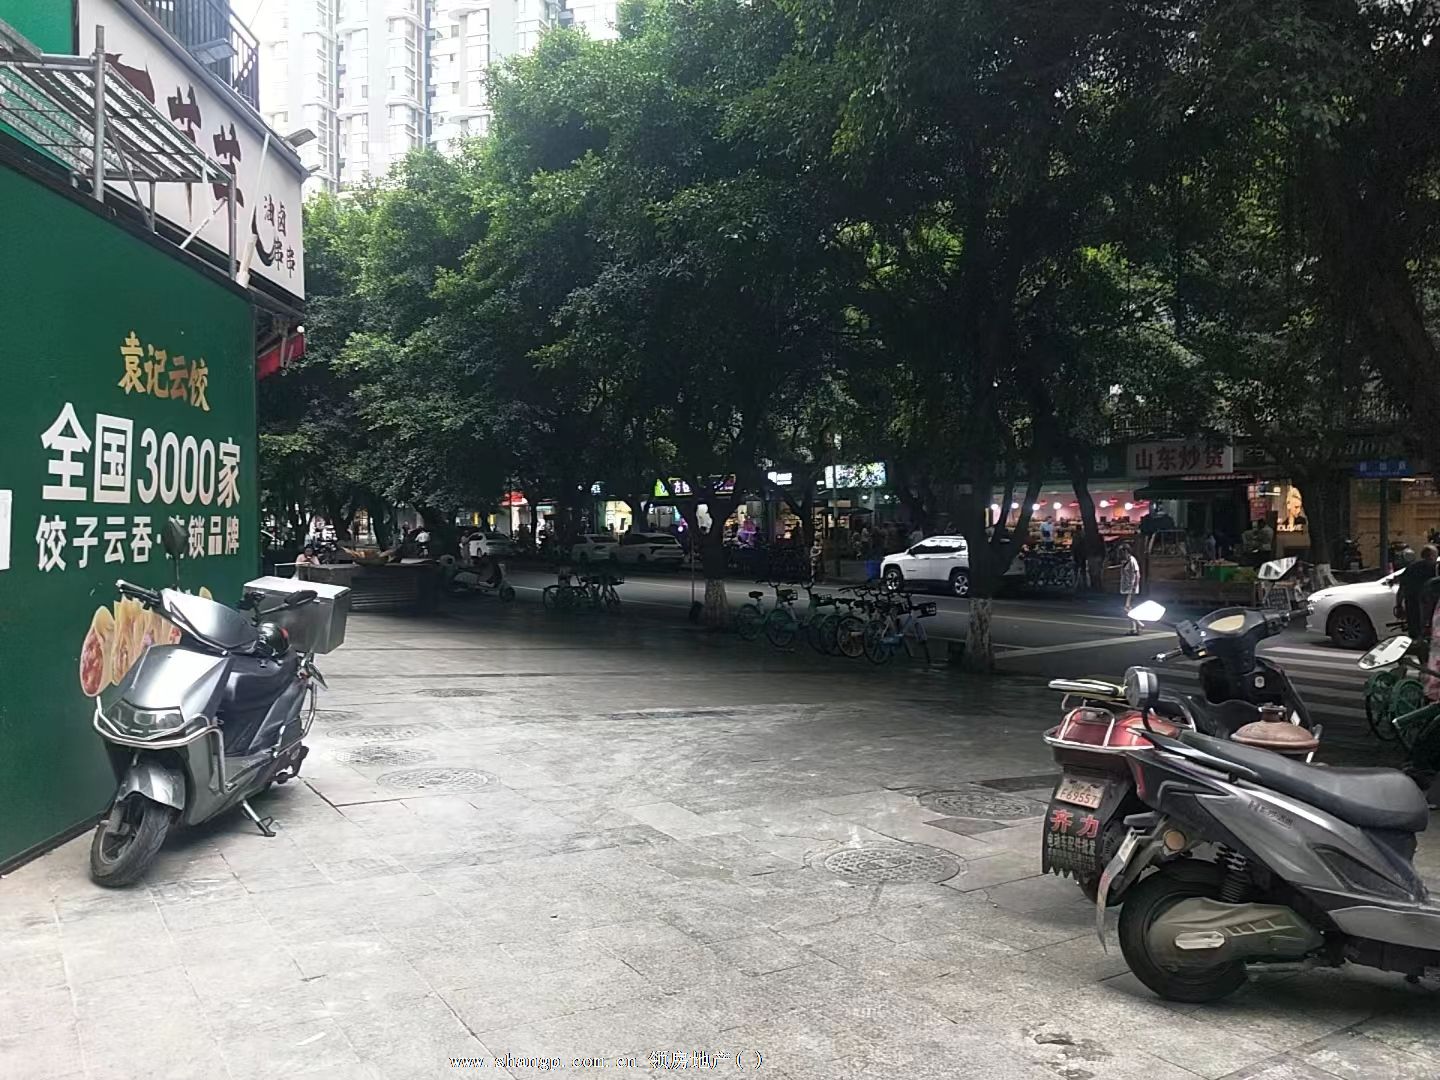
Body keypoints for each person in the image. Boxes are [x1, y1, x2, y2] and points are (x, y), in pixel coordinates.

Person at [1395, 545, 1440, 640]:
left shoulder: (1411, 568)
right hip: (1428, 606)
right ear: (1433, 555)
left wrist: (1399, 605)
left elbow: (1402, 588)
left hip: (1412, 604)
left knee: (1415, 632)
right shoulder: (1435, 568)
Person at [1119, 544, 1142, 633]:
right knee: (1130, 609)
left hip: (1131, 588)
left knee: (1127, 608)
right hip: (1125, 588)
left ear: (1127, 551)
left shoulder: (1132, 560)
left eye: (1123, 552)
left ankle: (1138, 624)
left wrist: (1135, 586)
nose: (1121, 554)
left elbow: (1137, 574)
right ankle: (1135, 628)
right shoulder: (1124, 561)